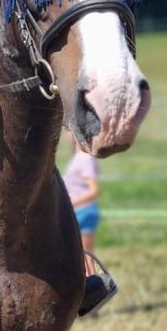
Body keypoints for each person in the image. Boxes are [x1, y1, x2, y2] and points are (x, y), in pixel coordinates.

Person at [64, 134, 118, 314]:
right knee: (82, 256)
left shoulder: (85, 159)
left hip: (84, 212)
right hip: (78, 213)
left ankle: (95, 297)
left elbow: (94, 191)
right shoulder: (78, 158)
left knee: (86, 256)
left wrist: (71, 204)